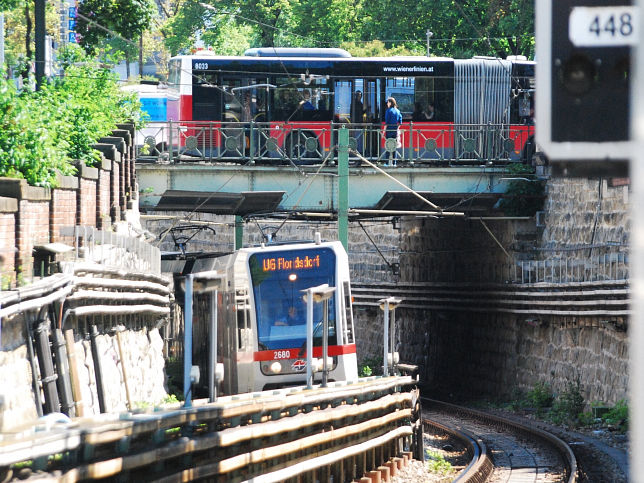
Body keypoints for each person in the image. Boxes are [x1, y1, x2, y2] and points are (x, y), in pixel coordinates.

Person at [383, 97, 402, 166]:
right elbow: (400, 122)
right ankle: (394, 163)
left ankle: (387, 163)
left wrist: (383, 132)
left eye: (388, 102)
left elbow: (386, 122)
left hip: (389, 131)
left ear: (390, 103)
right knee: (394, 147)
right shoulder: (398, 111)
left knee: (388, 146)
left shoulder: (388, 111)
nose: (387, 104)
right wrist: (397, 128)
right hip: (395, 131)